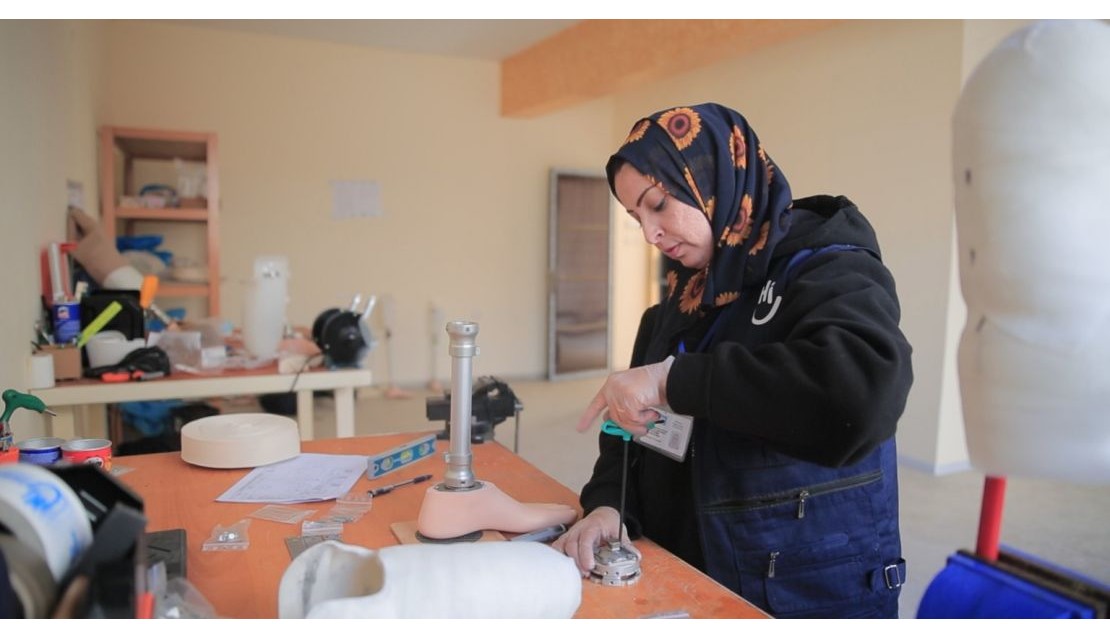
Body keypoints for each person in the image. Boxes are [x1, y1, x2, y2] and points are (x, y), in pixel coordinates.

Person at [551, 103, 913, 618]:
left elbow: (862, 395)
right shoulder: (675, 307)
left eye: (658, 204)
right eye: (636, 217)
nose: (650, 234)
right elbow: (628, 432)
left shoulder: (828, 268)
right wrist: (610, 502)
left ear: (715, 179)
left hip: (798, 583)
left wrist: (676, 381)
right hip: (693, 570)